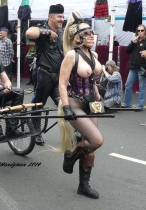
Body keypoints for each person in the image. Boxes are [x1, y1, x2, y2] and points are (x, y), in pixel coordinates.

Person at [58, 10, 104, 199]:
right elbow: (62, 83)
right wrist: (67, 107)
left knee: (86, 142)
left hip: (91, 103)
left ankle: (83, 185)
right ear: (77, 38)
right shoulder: (71, 55)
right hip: (75, 103)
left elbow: (92, 78)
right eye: (86, 33)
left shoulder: (93, 55)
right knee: (96, 141)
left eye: (91, 32)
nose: (91, 35)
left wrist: (98, 94)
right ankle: (70, 159)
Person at [25, 4, 64, 146]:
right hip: (44, 74)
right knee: (38, 104)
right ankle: (36, 132)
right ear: (51, 17)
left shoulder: (62, 32)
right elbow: (29, 33)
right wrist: (47, 33)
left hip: (58, 76)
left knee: (64, 103)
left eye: (63, 16)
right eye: (59, 16)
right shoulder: (42, 29)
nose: (62, 19)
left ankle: (75, 131)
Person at [122, 24, 146, 110]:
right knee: (128, 85)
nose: (140, 32)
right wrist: (132, 42)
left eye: (142, 30)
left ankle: (140, 106)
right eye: (138, 30)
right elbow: (127, 50)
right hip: (133, 67)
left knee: (142, 87)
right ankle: (127, 104)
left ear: (145, 31)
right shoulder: (135, 41)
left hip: (142, 67)